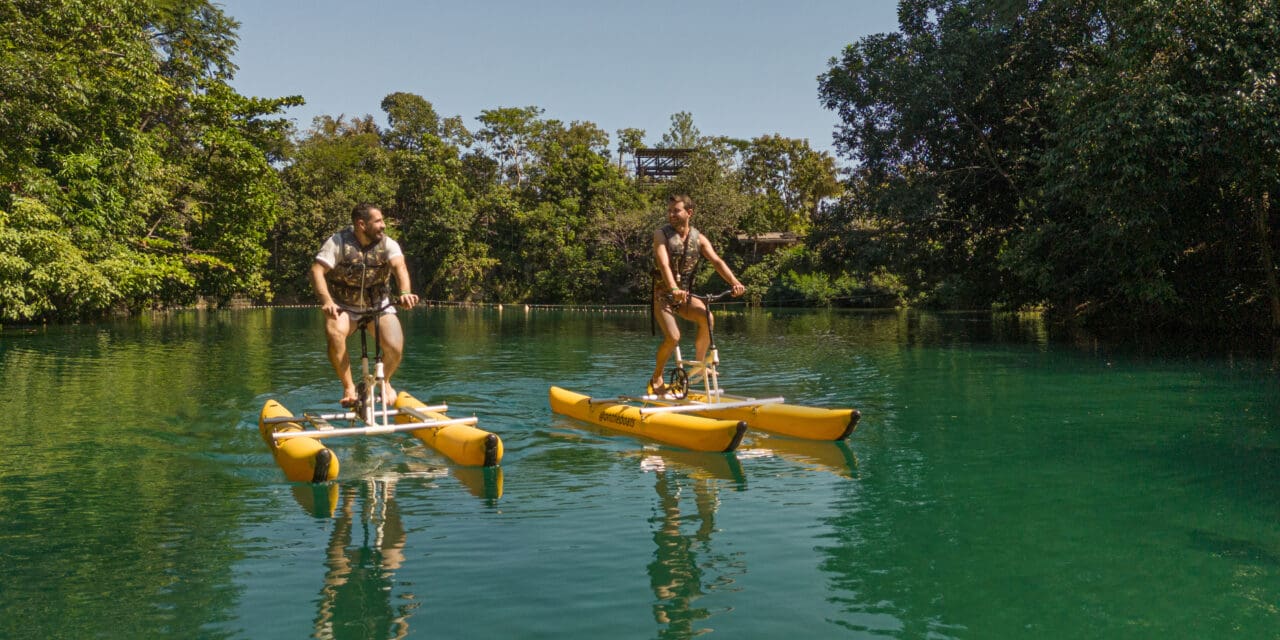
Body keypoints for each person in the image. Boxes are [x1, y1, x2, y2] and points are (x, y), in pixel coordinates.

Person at [310, 203, 420, 406]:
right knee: (334, 331)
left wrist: (405, 292)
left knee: (395, 347)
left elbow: (400, 267)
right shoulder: (337, 242)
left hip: (378, 306)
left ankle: (384, 381)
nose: (383, 225)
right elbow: (317, 270)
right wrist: (326, 301)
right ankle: (349, 388)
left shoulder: (388, 244)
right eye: (378, 221)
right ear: (362, 224)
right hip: (344, 306)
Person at [649, 194, 745, 395]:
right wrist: (673, 289)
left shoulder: (699, 239)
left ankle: (699, 365)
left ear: (689, 213)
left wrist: (735, 282)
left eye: (676, 210)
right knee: (674, 337)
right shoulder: (661, 235)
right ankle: (657, 376)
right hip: (664, 296)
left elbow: (717, 262)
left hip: (685, 296)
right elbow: (664, 264)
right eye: (669, 211)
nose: (671, 214)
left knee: (707, 318)